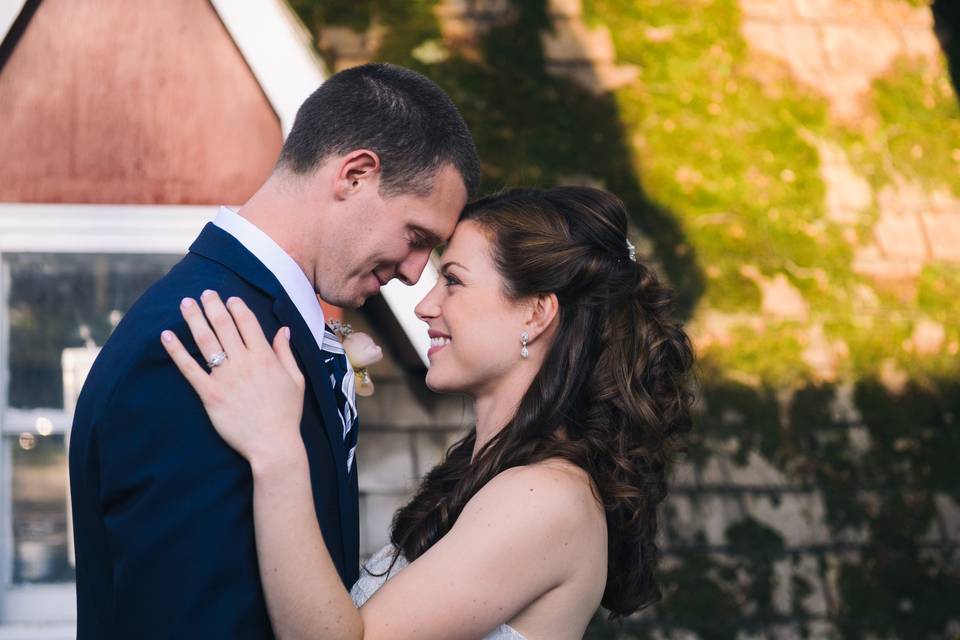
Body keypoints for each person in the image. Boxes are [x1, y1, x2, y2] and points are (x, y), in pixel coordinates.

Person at [161, 186, 696, 639]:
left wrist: (276, 450)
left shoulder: (546, 497)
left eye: (455, 281)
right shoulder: (493, 478)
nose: (424, 304)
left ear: (535, 313)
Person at [68, 63, 480, 639]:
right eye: (416, 238)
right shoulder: (200, 340)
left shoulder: (262, 324)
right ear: (355, 175)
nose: (415, 274)